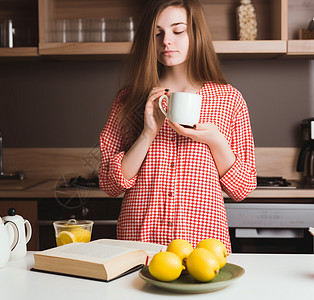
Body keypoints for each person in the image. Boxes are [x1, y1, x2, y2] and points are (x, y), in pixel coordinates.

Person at [98, 0, 256, 253]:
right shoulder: (130, 99)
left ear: (196, 33)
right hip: (140, 244)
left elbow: (242, 188)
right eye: (157, 33)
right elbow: (110, 185)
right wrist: (147, 134)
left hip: (203, 245)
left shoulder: (229, 99)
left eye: (177, 30)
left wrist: (215, 140)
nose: (166, 41)